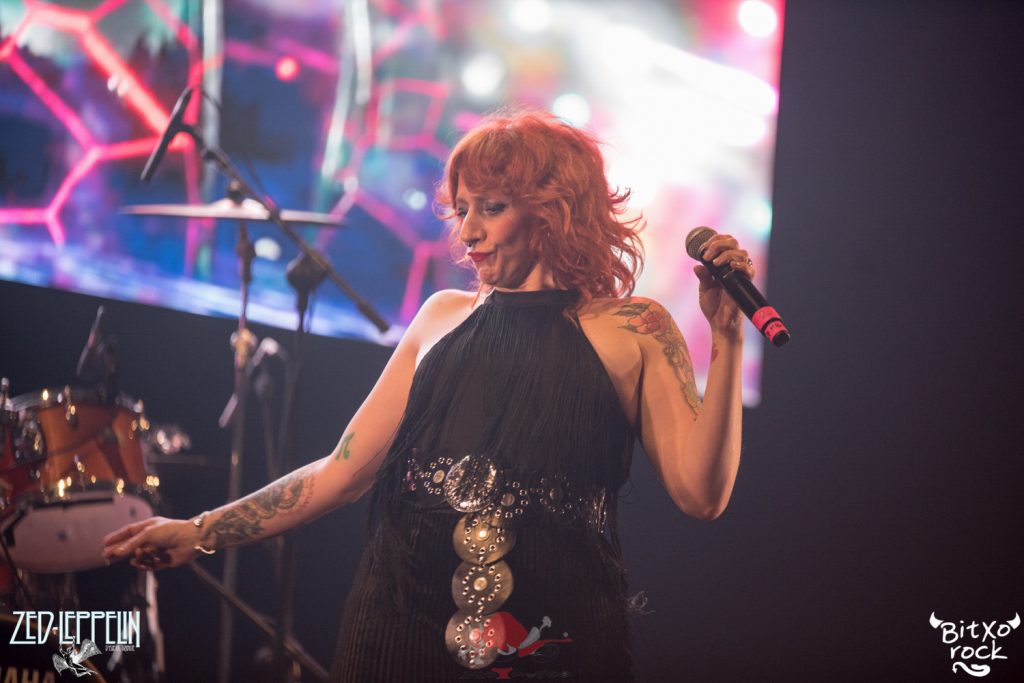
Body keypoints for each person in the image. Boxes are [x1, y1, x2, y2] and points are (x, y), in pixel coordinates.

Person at [103, 110, 752, 681]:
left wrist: (726, 336)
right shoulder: (441, 318)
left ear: (552, 209)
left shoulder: (634, 329)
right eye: (462, 210)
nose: (467, 232)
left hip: (553, 640)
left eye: (490, 207)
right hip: (397, 631)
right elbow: (338, 473)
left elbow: (702, 494)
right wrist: (199, 532)